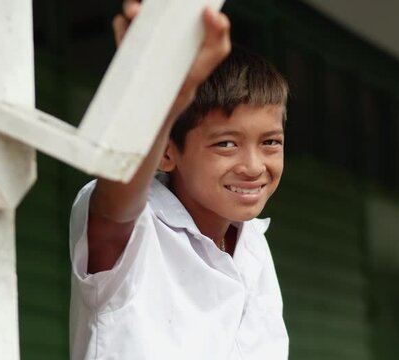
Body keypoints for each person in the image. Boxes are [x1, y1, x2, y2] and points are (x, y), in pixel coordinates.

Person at [69, 1, 289, 359]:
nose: (253, 165)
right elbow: (116, 208)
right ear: (167, 153)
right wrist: (157, 93)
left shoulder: (253, 247)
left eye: (270, 142)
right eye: (226, 143)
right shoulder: (136, 227)